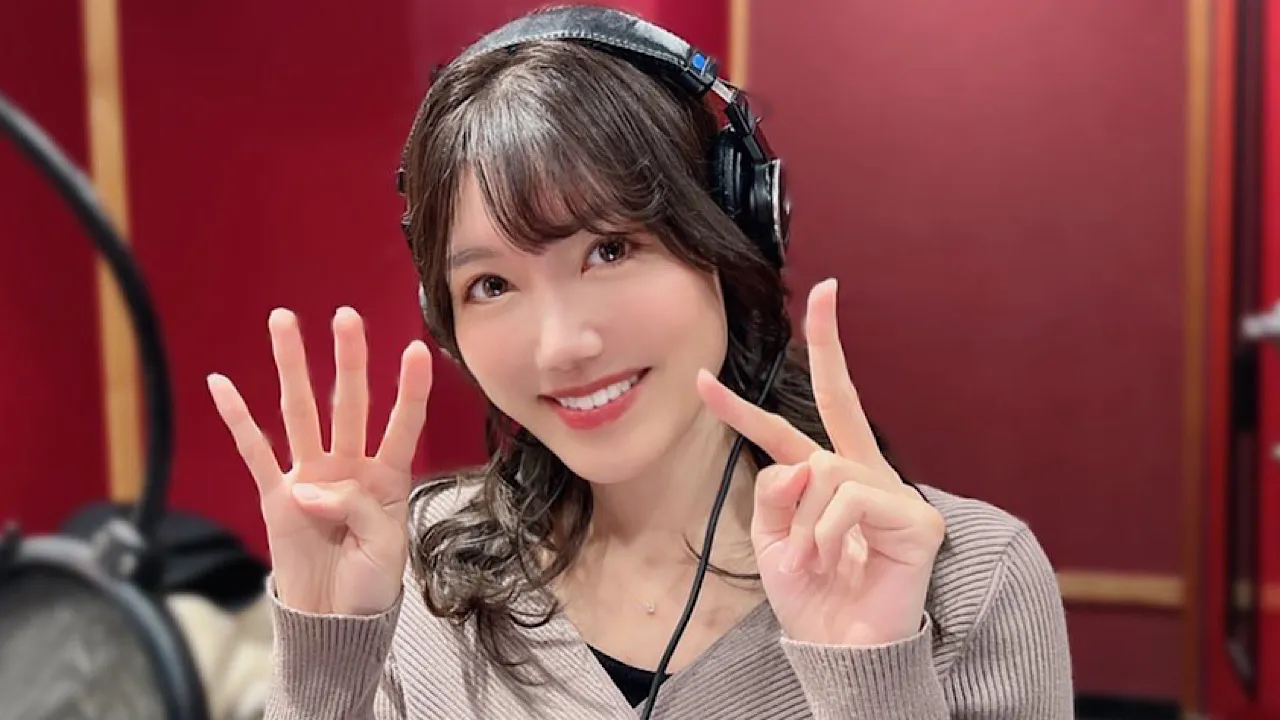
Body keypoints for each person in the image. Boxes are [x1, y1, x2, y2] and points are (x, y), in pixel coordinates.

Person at [205, 6, 1074, 719]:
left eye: (611, 249)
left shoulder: (965, 579)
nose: (561, 346)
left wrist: (872, 678)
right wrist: (325, 663)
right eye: (492, 284)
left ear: (731, 231)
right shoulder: (410, 567)